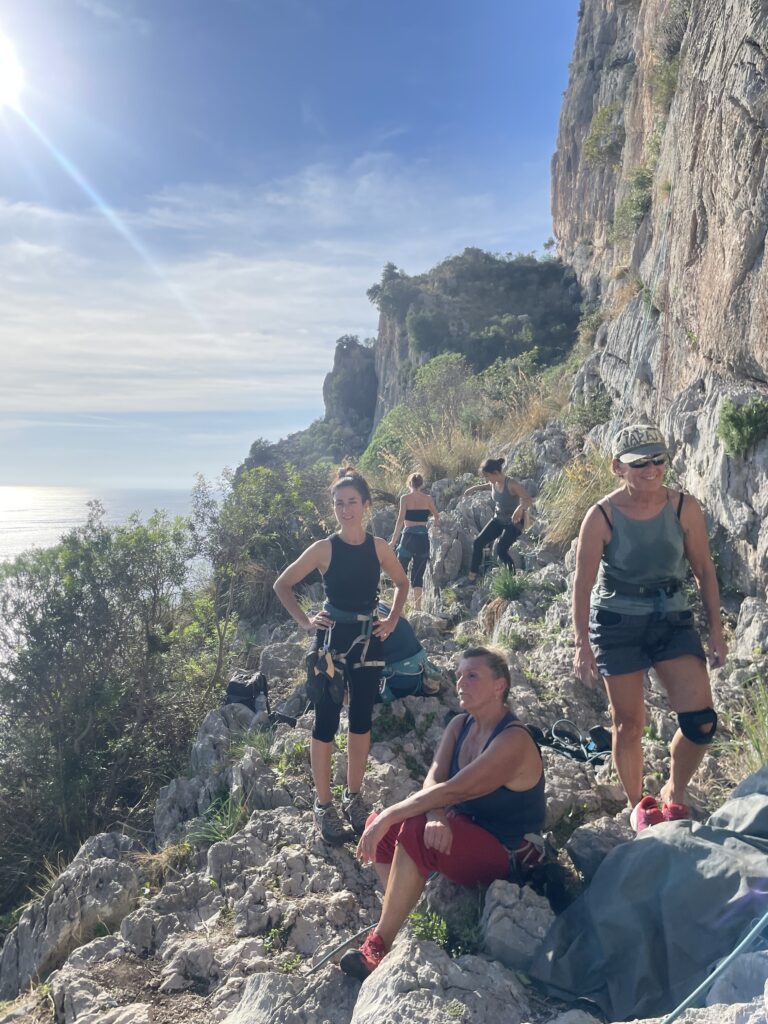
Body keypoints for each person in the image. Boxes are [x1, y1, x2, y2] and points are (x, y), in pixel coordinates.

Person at [339, 646, 546, 979]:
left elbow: (456, 789)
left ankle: (379, 943)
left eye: (472, 675)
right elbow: (434, 779)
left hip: (507, 855)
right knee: (383, 827)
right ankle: (406, 911)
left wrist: (396, 815)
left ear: (500, 685)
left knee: (406, 825)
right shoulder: (460, 724)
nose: (460, 683)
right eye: (459, 675)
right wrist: (433, 815)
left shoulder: (513, 740)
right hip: (462, 833)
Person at [572, 424, 727, 833]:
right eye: (639, 462)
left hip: (671, 618)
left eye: (658, 459)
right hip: (617, 623)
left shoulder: (684, 508)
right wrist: (582, 644)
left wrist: (716, 630)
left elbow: (704, 570)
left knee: (701, 722)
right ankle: (638, 803)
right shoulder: (601, 516)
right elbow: (583, 584)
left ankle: (676, 791)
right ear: (617, 467)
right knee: (629, 724)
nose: (651, 469)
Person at [274, 467, 409, 845]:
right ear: (333, 508)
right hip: (330, 642)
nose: (345, 510)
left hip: (367, 639)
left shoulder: (378, 547)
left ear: (366, 505)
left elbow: (402, 582)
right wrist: (305, 622)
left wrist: (392, 620)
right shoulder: (324, 549)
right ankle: (323, 805)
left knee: (361, 720)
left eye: (352, 502)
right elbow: (283, 584)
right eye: (339, 504)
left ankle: (353, 797)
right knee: (326, 721)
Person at [463, 457, 533, 580]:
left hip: (514, 522)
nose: (486, 479)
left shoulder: (511, 484)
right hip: (498, 519)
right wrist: (474, 488)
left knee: (501, 549)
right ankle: (472, 576)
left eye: (487, 476)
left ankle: (512, 578)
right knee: (478, 542)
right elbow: (488, 486)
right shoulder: (494, 482)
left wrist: (520, 508)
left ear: (495, 473)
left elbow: (528, 499)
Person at [390, 473, 440, 611]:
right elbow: (436, 516)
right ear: (421, 484)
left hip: (408, 538)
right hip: (423, 538)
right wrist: (434, 526)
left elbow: (400, 520)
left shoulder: (405, 498)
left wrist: (393, 541)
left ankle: (398, 607)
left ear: (409, 484)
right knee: (418, 575)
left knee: (400, 573)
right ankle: (417, 608)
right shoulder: (428, 498)